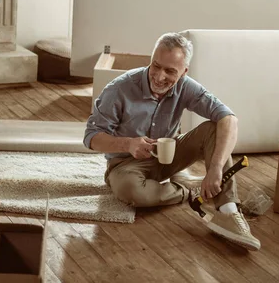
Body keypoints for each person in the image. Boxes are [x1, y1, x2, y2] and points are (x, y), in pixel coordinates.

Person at [83, 32, 261, 251]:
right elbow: (91, 137)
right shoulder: (118, 89)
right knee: (131, 190)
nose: (159, 77)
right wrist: (128, 144)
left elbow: (229, 119)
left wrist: (215, 168)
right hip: (125, 164)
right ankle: (187, 190)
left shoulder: (186, 86)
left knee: (215, 128)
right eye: (155, 66)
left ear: (184, 71)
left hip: (170, 154)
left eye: (170, 71)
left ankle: (229, 211)